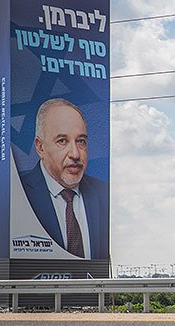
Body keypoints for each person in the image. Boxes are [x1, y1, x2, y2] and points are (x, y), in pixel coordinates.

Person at [20, 98, 109, 259]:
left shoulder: (104, 193)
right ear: (40, 147)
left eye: (81, 141)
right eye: (62, 141)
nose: (75, 154)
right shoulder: (18, 193)